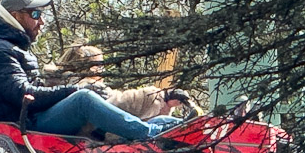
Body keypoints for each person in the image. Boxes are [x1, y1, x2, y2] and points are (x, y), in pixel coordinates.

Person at [0, 0, 176, 141]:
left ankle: (181, 128)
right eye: (35, 14)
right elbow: (22, 93)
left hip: (32, 118)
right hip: (24, 126)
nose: (41, 21)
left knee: (161, 122)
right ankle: (150, 136)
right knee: (83, 99)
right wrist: (72, 90)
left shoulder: (9, 47)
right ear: (15, 16)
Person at [43, 44, 198, 120]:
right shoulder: (84, 87)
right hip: (93, 141)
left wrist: (165, 105)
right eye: (99, 66)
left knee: (158, 122)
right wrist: (157, 96)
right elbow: (119, 104)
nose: (102, 70)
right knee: (156, 126)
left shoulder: (67, 85)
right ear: (88, 68)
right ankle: (182, 127)